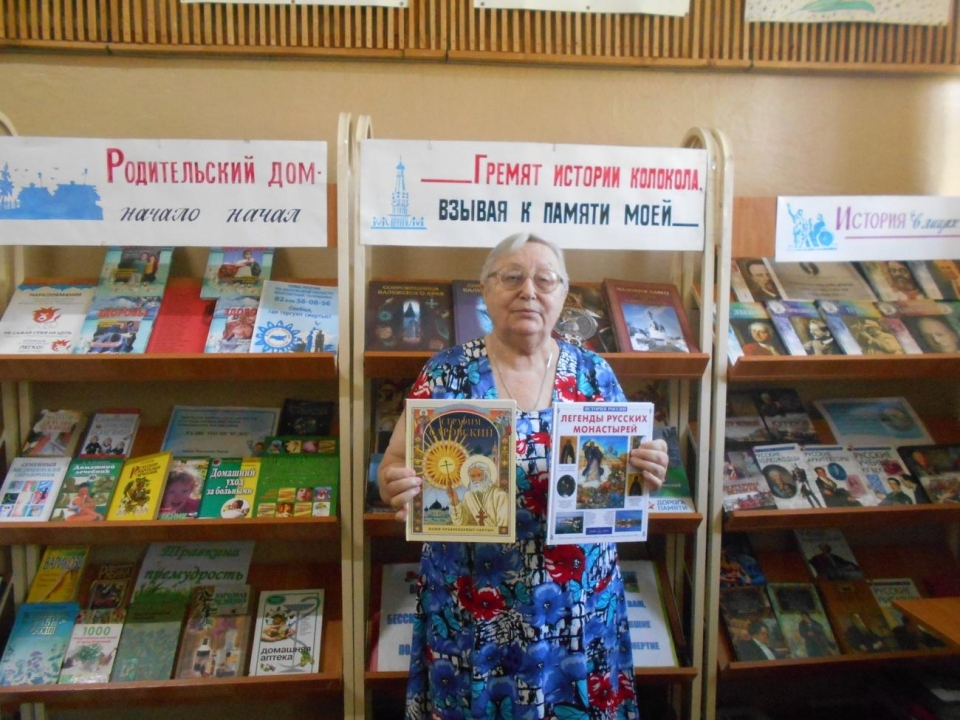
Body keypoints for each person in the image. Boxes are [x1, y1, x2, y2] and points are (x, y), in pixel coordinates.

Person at [377, 233, 669, 720]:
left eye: (545, 280)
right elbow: (393, 464)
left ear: (563, 294)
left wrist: (648, 469)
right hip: (472, 601)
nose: (528, 291)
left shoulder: (594, 374)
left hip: (577, 604)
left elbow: (629, 469)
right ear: (485, 290)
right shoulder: (446, 373)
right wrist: (394, 482)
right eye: (512, 277)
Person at [446, 456, 509, 528]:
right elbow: (460, 523)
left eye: (479, 475)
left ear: (486, 475)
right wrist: (455, 500)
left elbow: (503, 527)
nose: (476, 479)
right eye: (473, 476)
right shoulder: (469, 496)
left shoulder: (500, 496)